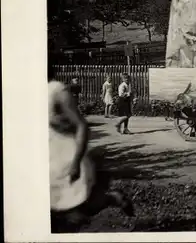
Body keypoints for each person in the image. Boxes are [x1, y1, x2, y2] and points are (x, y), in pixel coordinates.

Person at [48, 64, 134, 233]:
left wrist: (76, 162)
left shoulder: (55, 90)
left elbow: (81, 125)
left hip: (68, 158)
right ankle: (110, 197)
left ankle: (111, 198)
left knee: (74, 211)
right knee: (58, 209)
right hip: (49, 157)